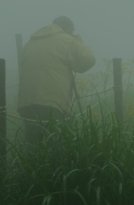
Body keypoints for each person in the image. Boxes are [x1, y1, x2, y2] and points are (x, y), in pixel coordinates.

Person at [17, 16, 96, 147]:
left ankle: (31, 166)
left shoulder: (30, 43)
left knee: (32, 145)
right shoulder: (66, 40)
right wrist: (79, 42)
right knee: (56, 146)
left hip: (26, 103)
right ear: (68, 29)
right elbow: (88, 61)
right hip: (52, 104)